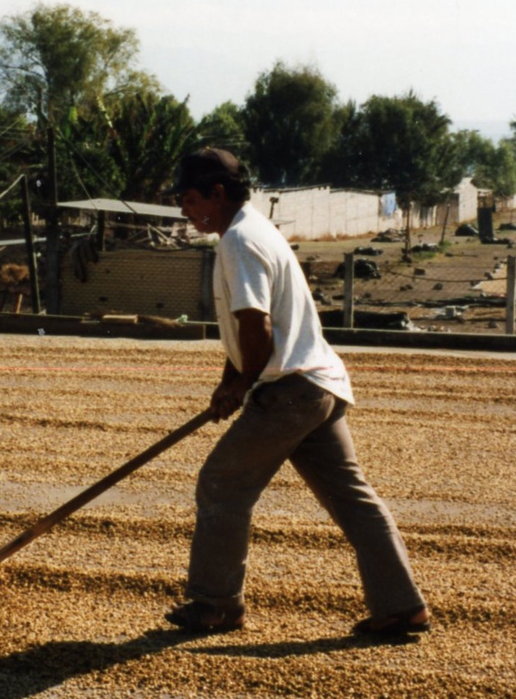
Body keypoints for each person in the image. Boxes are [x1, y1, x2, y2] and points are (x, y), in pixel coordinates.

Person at [165, 147, 430, 637]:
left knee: (222, 483)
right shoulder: (255, 230)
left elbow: (257, 325)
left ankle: (215, 604)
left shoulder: (238, 242)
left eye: (189, 198)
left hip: (289, 391)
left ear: (216, 194)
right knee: (352, 498)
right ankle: (402, 605)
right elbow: (257, 325)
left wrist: (244, 385)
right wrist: (230, 379)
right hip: (319, 384)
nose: (184, 210)